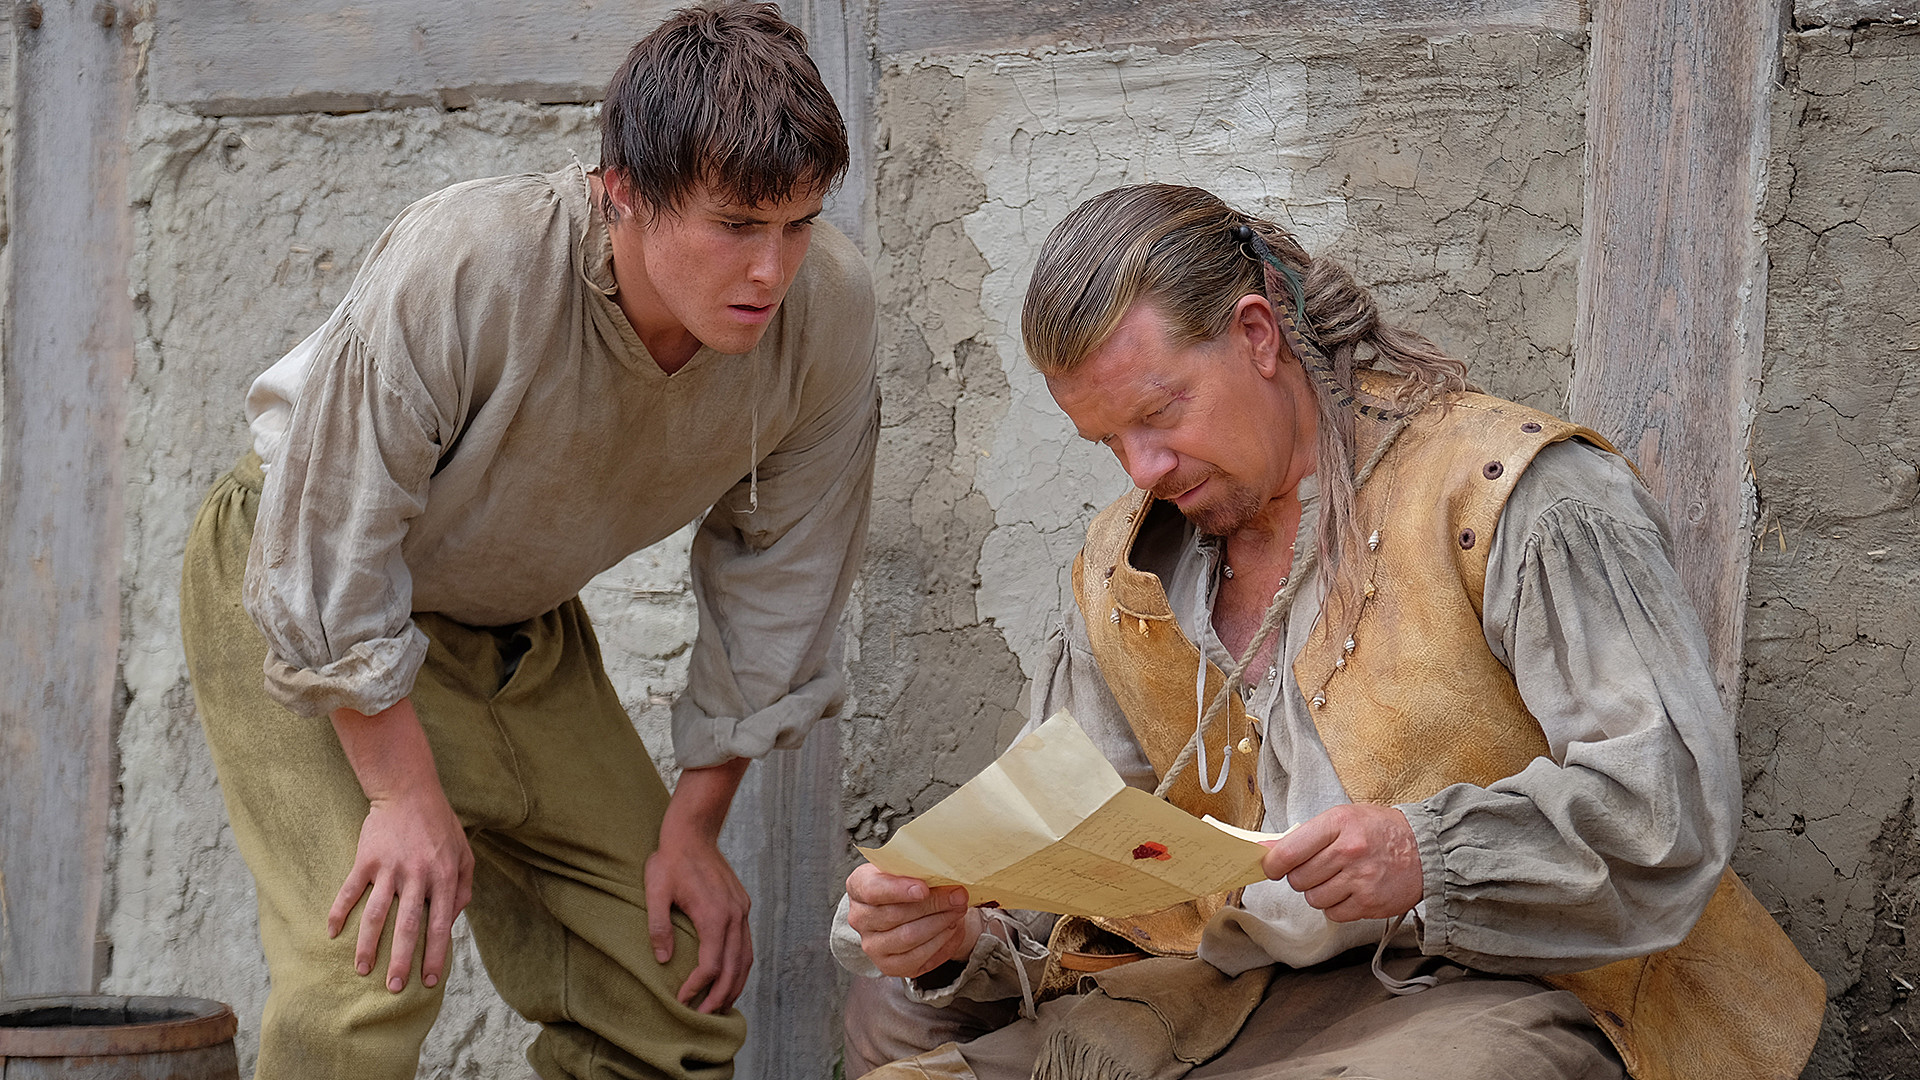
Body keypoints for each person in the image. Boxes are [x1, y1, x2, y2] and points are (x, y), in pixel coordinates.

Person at [833, 184, 1823, 1080]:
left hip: (1499, 982)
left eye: (1161, 412)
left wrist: (1425, 854)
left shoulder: (1512, 497)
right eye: (1108, 441)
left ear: (1257, 335)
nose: (1142, 469)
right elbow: (1068, 868)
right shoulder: (1126, 568)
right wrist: (955, 934)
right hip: (1217, 993)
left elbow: (1665, 810)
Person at [178, 5, 878, 1078]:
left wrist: (694, 827)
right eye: (737, 225)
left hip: (513, 626)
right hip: (304, 589)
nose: (771, 271)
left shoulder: (826, 311)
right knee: (367, 979)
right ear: (622, 192)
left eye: (799, 224)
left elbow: (785, 567)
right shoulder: (472, 259)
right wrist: (401, 797)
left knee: (670, 987)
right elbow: (331, 544)